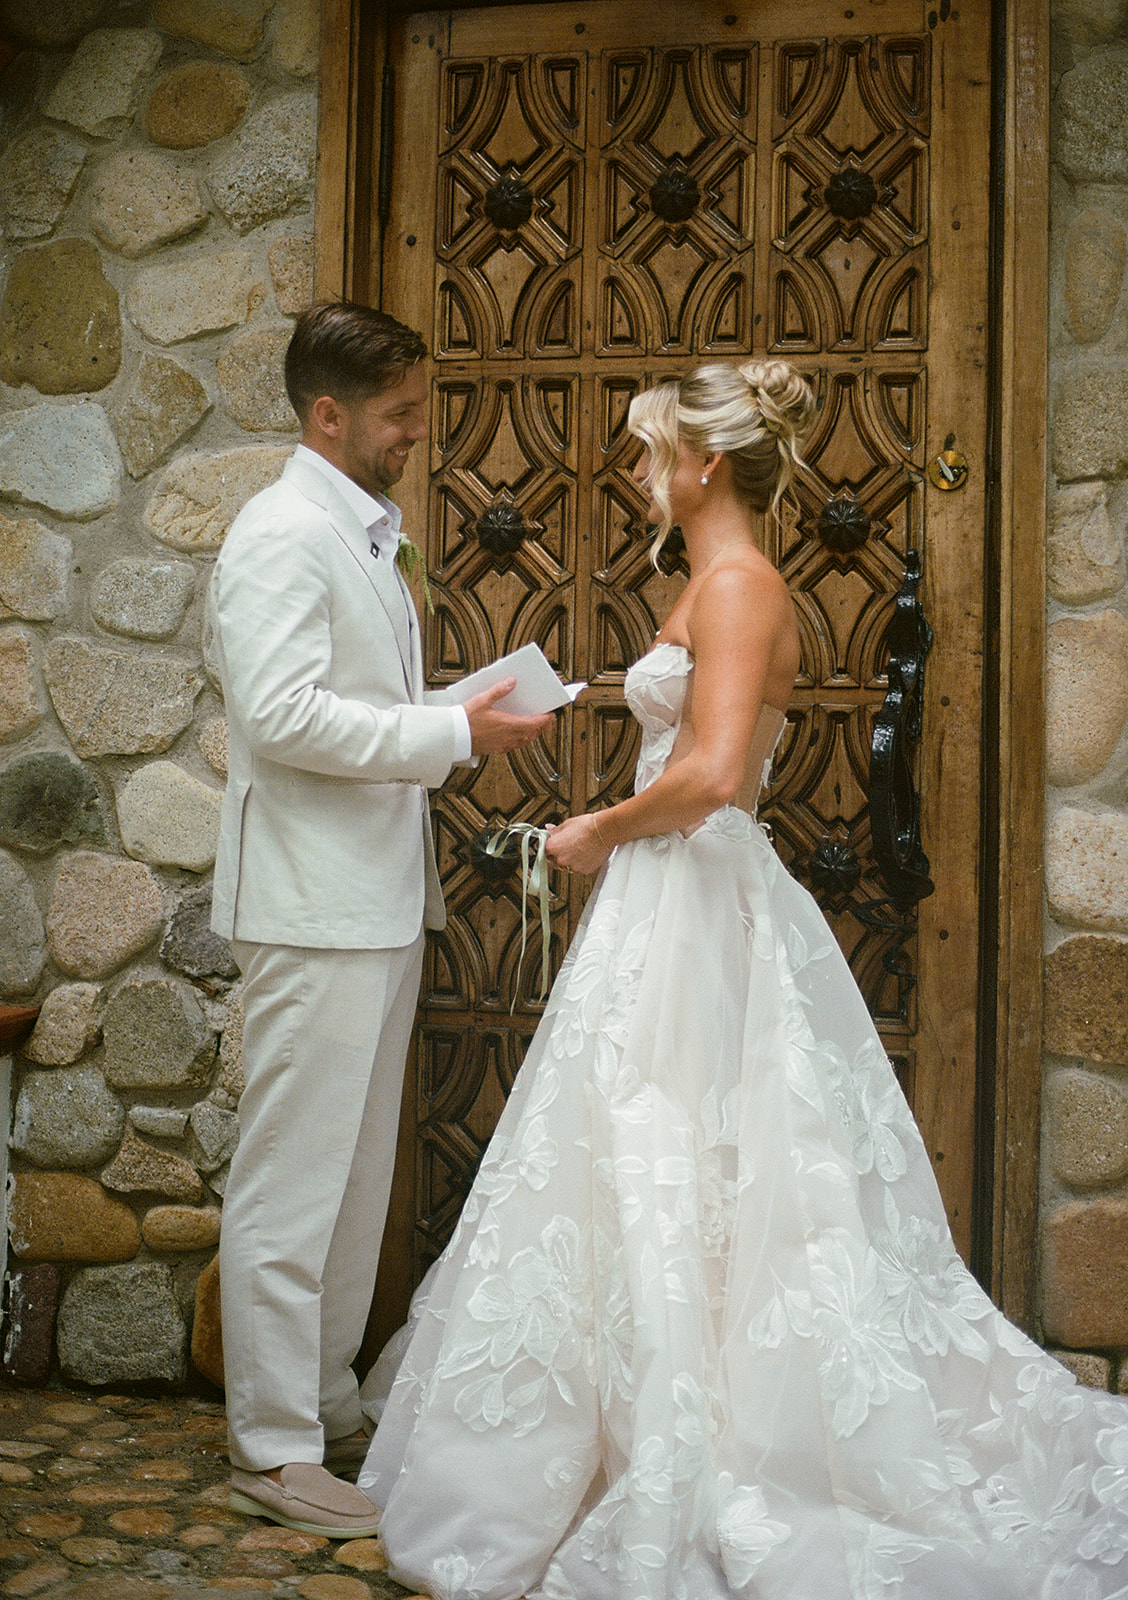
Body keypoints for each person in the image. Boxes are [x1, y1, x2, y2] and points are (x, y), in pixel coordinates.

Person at [356, 358, 1128, 1598]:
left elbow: (716, 773)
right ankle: (634, 1408)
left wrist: (600, 827)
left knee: (697, 1144)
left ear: (705, 463)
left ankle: (707, 1425)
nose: (636, 472)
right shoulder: (710, 583)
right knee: (642, 1151)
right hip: (671, 900)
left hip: (697, 891)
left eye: (648, 450)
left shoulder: (743, 583)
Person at [208, 301, 553, 1539]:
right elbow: (285, 716)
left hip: (370, 896)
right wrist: (457, 733)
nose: (419, 434)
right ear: (328, 415)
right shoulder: (279, 534)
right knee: (293, 1180)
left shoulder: (359, 531)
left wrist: (460, 698)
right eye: (401, 413)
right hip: (309, 900)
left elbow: (357, 705)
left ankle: (325, 1395)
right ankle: (270, 1443)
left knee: (354, 1181)